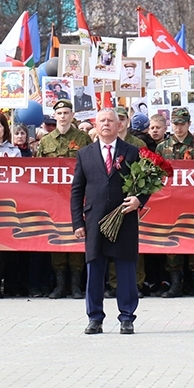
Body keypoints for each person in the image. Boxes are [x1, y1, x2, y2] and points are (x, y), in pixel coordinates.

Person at [70, 108, 150, 335]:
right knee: (95, 270)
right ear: (96, 125)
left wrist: (139, 200)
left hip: (124, 218)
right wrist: (78, 222)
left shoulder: (132, 152)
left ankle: (127, 317)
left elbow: (146, 182)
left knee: (125, 270)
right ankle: (95, 318)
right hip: (94, 220)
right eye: (101, 121)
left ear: (119, 125)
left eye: (110, 121)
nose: (106, 124)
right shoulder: (85, 154)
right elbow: (77, 191)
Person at [36, 99, 93, 299]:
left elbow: (90, 164)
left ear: (72, 115)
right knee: (57, 236)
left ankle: (76, 286)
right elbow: (38, 170)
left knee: (76, 237)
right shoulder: (46, 141)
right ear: (55, 116)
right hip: (53, 198)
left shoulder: (83, 138)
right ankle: (60, 285)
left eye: (66, 113)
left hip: (77, 195)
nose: (63, 116)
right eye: (59, 113)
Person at [156, 107, 194, 297]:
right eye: (175, 124)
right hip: (171, 203)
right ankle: (175, 285)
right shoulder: (163, 147)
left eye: (182, 124)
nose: (178, 128)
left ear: (189, 124)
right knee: (173, 242)